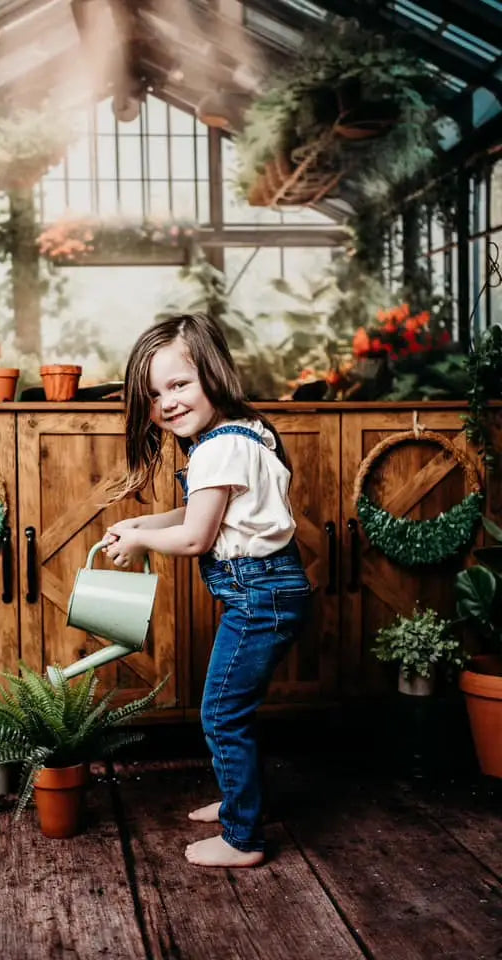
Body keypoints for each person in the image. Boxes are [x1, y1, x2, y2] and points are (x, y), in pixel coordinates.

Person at [104, 312, 311, 868]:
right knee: (229, 707)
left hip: (260, 596)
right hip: (268, 590)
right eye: (153, 394)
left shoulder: (217, 449)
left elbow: (197, 537)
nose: (166, 402)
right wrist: (144, 525)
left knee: (222, 712)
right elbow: (202, 510)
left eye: (179, 384)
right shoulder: (242, 433)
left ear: (212, 374)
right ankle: (240, 801)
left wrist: (145, 545)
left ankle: (243, 836)